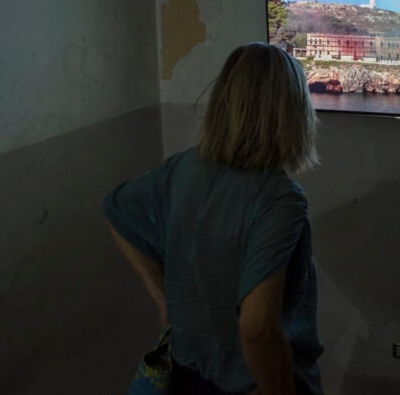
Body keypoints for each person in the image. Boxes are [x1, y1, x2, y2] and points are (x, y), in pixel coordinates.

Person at [104, 43, 324, 395]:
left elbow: (117, 212)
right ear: (293, 111)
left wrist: (162, 297)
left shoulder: (183, 167)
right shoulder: (280, 199)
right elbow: (257, 328)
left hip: (188, 376)